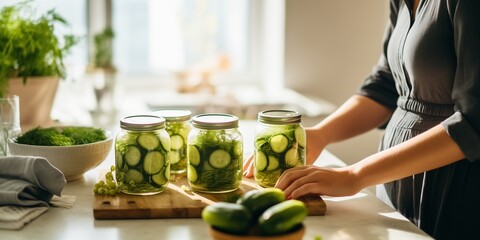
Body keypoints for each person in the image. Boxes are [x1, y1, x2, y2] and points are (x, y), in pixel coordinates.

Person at [243, 0, 480, 239]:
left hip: (455, 192)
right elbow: (387, 85)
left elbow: (473, 123)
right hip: (396, 185)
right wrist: (320, 135)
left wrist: (356, 175)